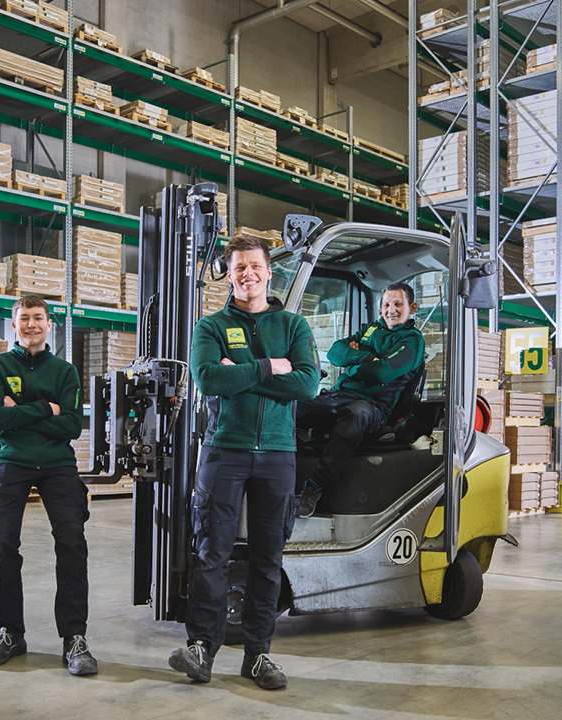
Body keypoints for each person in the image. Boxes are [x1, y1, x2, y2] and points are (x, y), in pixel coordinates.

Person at [167, 235, 320, 690]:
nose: (247, 274)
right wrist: (270, 368)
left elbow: (308, 385)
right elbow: (208, 377)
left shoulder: (294, 326)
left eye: (255, 266)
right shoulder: (210, 327)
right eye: (238, 268)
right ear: (228, 275)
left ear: (269, 272)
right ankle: (202, 649)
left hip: (277, 454)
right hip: (224, 450)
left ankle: (258, 656)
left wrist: (243, 373)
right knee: (212, 554)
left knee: (267, 559)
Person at [0, 294, 98, 676]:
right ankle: (11, 632)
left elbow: (73, 426)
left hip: (58, 464)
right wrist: (47, 408)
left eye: (39, 318)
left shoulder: (65, 372)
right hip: (10, 461)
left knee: (72, 544)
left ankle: (74, 639)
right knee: (2, 544)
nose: (31, 324)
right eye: (24, 318)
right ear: (14, 325)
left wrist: (22, 412)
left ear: (50, 325)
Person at [295, 282, 425, 518]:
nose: (391, 310)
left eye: (398, 304)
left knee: (355, 414)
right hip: (338, 396)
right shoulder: (371, 330)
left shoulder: (411, 341)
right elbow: (335, 352)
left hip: (374, 408)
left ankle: (314, 488)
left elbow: (381, 373)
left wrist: (352, 366)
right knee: (290, 409)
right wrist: (367, 357)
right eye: (386, 304)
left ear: (412, 307)